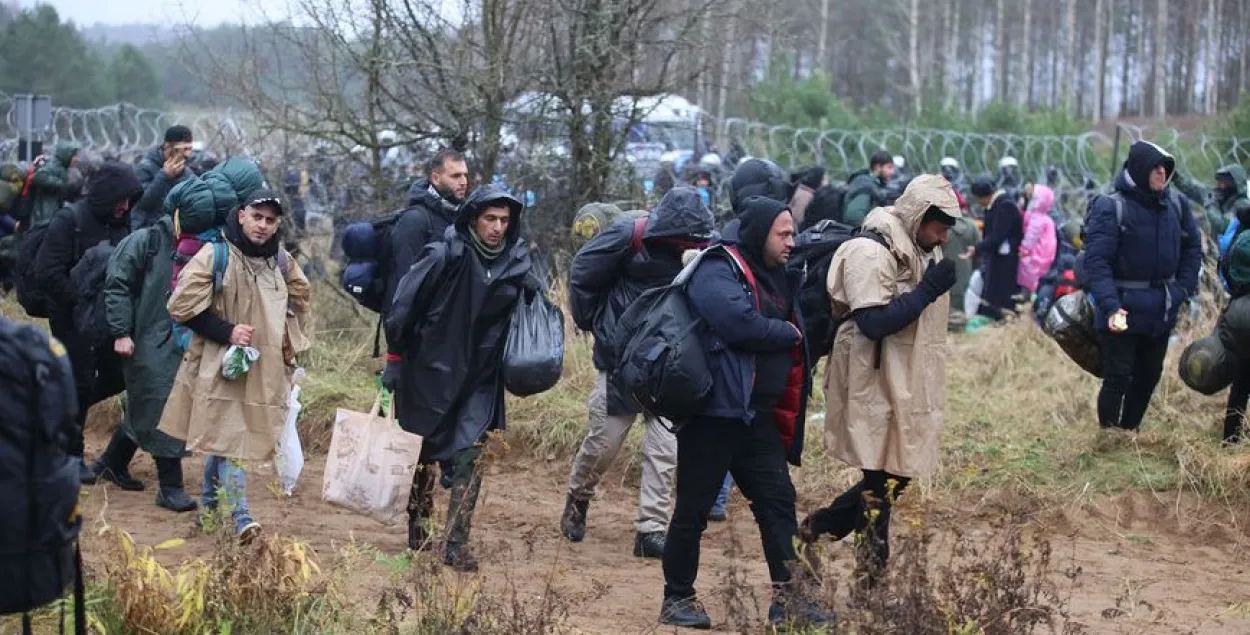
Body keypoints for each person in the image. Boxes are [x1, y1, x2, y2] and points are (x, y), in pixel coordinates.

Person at [659, 197, 831, 631]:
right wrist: (788, 332)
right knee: (694, 509)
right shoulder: (719, 267)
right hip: (715, 415)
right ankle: (677, 597)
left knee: (777, 504)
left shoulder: (777, 275)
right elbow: (738, 323)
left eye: (793, 233)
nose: (792, 241)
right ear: (759, 233)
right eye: (784, 234)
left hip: (757, 417)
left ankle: (788, 599)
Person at [801, 175, 961, 595]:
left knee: (896, 474)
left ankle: (818, 532)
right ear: (917, 216)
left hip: (905, 376)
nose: (943, 236)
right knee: (880, 481)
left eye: (947, 229)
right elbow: (873, 322)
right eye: (938, 226)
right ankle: (868, 578)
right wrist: (928, 289)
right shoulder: (869, 252)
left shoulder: (921, 246)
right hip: (870, 378)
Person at [383, 184, 533, 571]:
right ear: (472, 219)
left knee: (470, 455)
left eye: (504, 220)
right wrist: (396, 359)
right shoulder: (443, 254)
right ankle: (418, 524)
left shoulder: (516, 264)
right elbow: (402, 308)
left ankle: (456, 541)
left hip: (481, 377)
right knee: (424, 453)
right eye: (490, 219)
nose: (498, 227)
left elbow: (531, 315)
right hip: (429, 370)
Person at [562, 187, 715, 558]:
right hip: (621, 361)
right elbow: (582, 272)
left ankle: (651, 529)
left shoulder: (706, 249)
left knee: (665, 449)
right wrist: (595, 324)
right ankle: (578, 497)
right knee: (604, 443)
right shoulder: (629, 234)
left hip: (670, 365)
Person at [158, 190, 312, 542]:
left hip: (264, 366)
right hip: (220, 364)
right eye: (257, 217)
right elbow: (180, 307)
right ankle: (241, 516)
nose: (263, 226)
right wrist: (227, 331)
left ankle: (210, 510)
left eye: (270, 220)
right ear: (242, 215)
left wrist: (285, 331)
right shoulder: (216, 255)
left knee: (224, 437)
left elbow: (301, 297)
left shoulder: (282, 262)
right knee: (231, 435)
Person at [91, 180, 203, 512]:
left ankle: (111, 462)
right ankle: (171, 487)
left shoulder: (199, 246)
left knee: (147, 401)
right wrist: (121, 332)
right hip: (144, 337)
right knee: (161, 400)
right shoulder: (146, 242)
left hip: (176, 337)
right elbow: (117, 287)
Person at [1082, 141, 1201, 434]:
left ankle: (1130, 430)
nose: (1162, 173)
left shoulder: (1176, 204)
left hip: (1161, 308)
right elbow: (1097, 262)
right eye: (1156, 167)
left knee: (1149, 375)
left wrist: (1181, 290)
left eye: (1166, 168)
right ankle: (1110, 435)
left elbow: (1192, 248)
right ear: (1141, 168)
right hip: (1121, 308)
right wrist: (1110, 306)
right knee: (1118, 376)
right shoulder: (1110, 206)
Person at [34, 161, 142, 479]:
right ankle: (71, 456)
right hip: (68, 314)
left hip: (105, 316)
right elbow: (47, 272)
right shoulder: (70, 220)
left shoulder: (122, 222)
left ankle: (55, 408)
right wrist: (79, 300)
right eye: (119, 199)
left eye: (129, 200)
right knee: (80, 380)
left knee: (117, 375)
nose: (124, 206)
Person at [387, 150, 469, 316]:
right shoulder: (415, 220)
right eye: (455, 176)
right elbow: (402, 285)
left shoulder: (462, 216)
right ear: (436, 178)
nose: (463, 182)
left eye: (465, 175)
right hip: (420, 328)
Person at [963, 175, 1023, 321]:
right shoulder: (998, 205)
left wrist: (977, 248)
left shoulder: (1004, 206)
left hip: (1005, 261)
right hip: (998, 258)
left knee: (1000, 297)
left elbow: (997, 236)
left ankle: (1005, 321)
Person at [132, 126, 195, 231]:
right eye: (180, 150)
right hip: (146, 229)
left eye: (189, 149)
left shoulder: (186, 171)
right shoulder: (145, 167)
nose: (186, 155)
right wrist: (164, 177)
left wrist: (180, 175)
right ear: (167, 147)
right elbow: (141, 203)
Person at [1017, 184, 1059, 297]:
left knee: (1027, 272)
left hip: (1035, 254)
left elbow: (1031, 236)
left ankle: (1025, 295)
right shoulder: (1046, 218)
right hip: (1044, 255)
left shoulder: (1037, 218)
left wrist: (1024, 249)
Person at [27, 142, 82, 226]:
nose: (77, 159)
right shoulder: (53, 165)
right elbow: (38, 177)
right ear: (67, 155)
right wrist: (61, 183)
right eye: (75, 156)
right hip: (44, 214)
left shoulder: (62, 167)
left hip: (50, 212)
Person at [842, 150, 895, 228]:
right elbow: (854, 216)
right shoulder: (865, 185)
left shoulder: (873, 184)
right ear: (878, 167)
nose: (892, 172)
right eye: (889, 167)